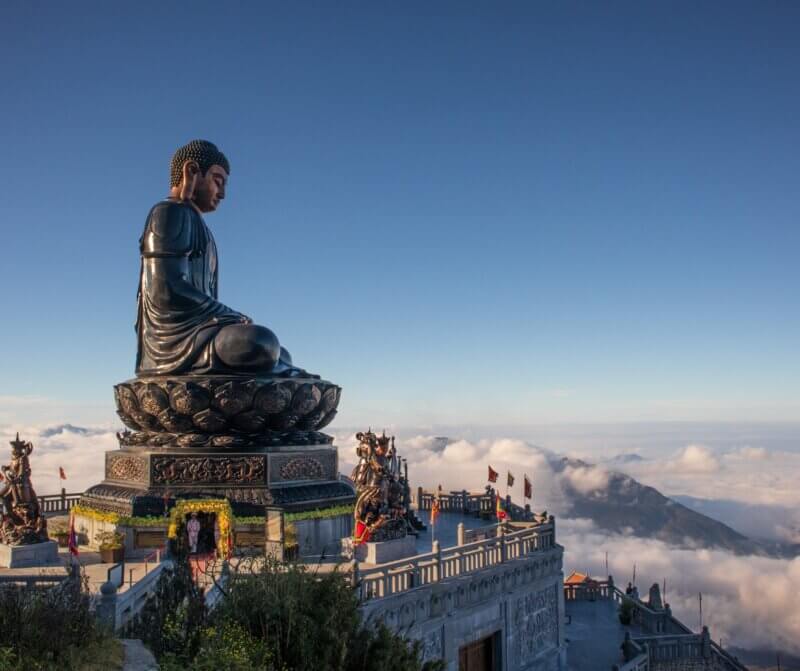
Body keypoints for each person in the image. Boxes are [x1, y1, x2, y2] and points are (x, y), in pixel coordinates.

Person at [136, 139, 305, 377]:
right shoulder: (167, 213)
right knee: (260, 341)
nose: (223, 194)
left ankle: (285, 375)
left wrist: (226, 319)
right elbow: (166, 288)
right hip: (175, 342)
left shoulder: (202, 228)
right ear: (192, 172)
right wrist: (229, 315)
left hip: (203, 331)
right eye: (218, 181)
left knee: (277, 352)